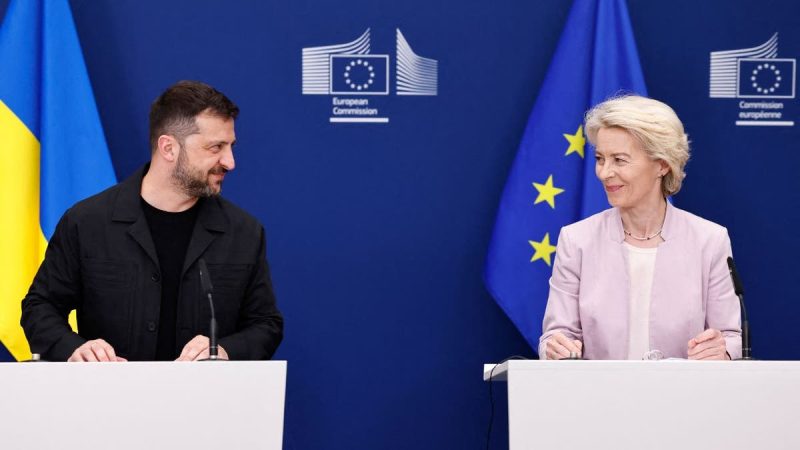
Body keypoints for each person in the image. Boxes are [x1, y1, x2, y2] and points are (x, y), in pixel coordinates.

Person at [21, 81, 283, 362]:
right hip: (109, 390)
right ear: (168, 148)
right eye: (215, 147)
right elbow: (40, 307)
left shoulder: (244, 232)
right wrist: (74, 349)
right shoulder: (86, 222)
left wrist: (225, 350)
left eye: (230, 146)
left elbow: (266, 324)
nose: (230, 162)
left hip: (204, 391)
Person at [539, 95, 741, 361]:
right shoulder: (577, 240)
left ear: (662, 164)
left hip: (682, 389)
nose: (604, 172)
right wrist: (554, 347)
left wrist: (722, 351)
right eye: (600, 158)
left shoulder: (709, 240)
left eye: (619, 160)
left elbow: (731, 338)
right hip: (599, 388)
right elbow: (556, 335)